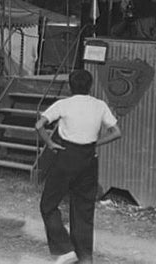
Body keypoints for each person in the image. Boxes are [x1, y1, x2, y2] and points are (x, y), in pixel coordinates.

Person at [35, 69, 121, 264]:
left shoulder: (64, 104)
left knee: (48, 205)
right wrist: (96, 143)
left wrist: (50, 143)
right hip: (89, 158)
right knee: (83, 209)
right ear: (90, 86)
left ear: (70, 86)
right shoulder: (100, 105)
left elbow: (39, 125)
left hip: (66, 155)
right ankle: (85, 258)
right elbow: (116, 132)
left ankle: (64, 249)